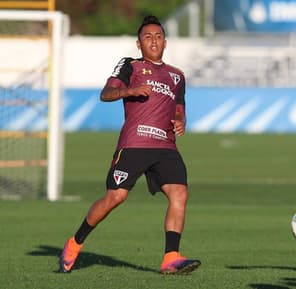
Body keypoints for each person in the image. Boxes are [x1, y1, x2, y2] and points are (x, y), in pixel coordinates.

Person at [59, 15, 201, 274]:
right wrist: (129, 91)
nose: (154, 41)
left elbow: (180, 109)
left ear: (165, 42)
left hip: (166, 147)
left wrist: (181, 121)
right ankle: (75, 242)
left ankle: (171, 257)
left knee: (180, 193)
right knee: (115, 197)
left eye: (158, 37)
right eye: (148, 37)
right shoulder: (130, 66)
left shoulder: (177, 76)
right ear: (139, 44)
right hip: (135, 143)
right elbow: (106, 94)